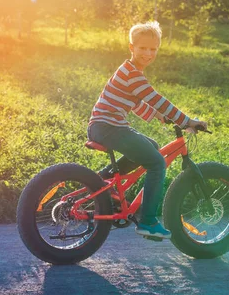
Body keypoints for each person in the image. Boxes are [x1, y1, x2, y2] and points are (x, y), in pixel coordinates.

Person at [87, 21, 207, 239]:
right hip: (108, 127)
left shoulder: (129, 72)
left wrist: (160, 116)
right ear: (131, 47)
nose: (148, 53)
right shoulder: (133, 74)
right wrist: (187, 121)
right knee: (157, 162)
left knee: (151, 147)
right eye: (142, 48)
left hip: (105, 126)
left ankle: (101, 183)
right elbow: (156, 99)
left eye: (153, 49)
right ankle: (148, 221)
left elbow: (137, 103)